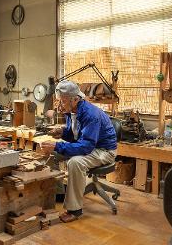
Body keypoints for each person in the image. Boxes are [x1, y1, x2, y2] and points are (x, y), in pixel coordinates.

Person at [41, 80, 117, 223]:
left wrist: (57, 146)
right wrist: (62, 133)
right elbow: (76, 135)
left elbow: (85, 146)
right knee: (51, 155)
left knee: (75, 163)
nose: (59, 106)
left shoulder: (90, 114)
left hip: (104, 151)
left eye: (62, 102)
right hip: (89, 146)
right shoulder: (72, 111)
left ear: (75, 99)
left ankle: (74, 210)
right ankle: (59, 193)